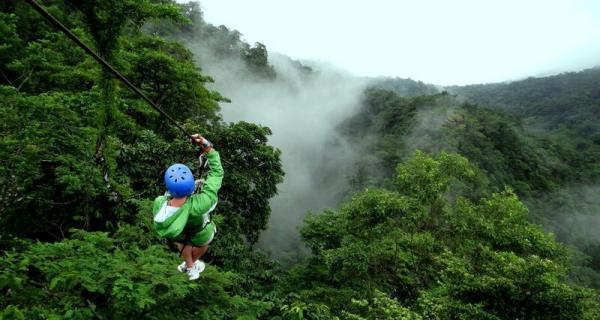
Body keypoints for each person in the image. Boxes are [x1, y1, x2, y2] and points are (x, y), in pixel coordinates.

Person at [152, 134, 223, 280]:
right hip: (199, 233)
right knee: (205, 242)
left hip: (179, 233)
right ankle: (191, 264)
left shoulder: (160, 202)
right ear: (191, 186)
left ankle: (189, 266)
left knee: (183, 242)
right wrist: (208, 147)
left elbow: (167, 197)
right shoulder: (201, 203)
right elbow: (216, 173)